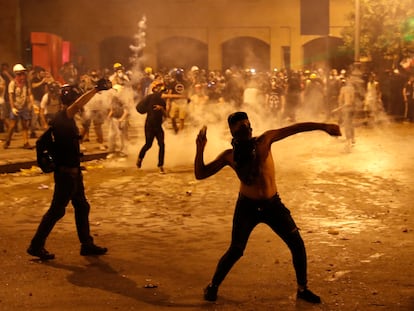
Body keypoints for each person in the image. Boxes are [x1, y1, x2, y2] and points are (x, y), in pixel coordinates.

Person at [194, 111, 341, 304]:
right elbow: (200, 174)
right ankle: (212, 286)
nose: (246, 129)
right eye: (241, 127)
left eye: (247, 125)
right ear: (233, 132)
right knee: (236, 250)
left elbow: (295, 128)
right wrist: (199, 148)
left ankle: (302, 289)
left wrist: (323, 126)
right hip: (247, 206)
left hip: (272, 205)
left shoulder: (264, 141)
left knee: (297, 244)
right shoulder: (230, 156)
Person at [27, 78, 112, 260]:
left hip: (73, 173)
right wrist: (95, 89)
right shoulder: (63, 116)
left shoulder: (66, 119)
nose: (80, 103)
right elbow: (77, 104)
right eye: (77, 98)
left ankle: (87, 244)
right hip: (66, 174)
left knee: (82, 206)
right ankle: (36, 245)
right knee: (57, 210)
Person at [136, 80, 168, 173]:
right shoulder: (149, 98)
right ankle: (140, 158)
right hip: (149, 126)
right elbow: (138, 108)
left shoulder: (162, 101)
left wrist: (161, 108)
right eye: (158, 87)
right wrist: (148, 109)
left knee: (162, 145)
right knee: (148, 145)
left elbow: (166, 115)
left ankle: (160, 165)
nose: (160, 90)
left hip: (158, 126)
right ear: (154, 89)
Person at [4, 64, 34, 149]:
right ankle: (8, 140)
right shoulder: (12, 84)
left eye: (23, 73)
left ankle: (26, 143)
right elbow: (10, 96)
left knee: (25, 125)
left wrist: (32, 103)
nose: (22, 76)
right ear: (16, 74)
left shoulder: (26, 83)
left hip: (24, 107)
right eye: (20, 74)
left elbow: (30, 94)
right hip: (16, 107)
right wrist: (13, 107)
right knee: (12, 125)